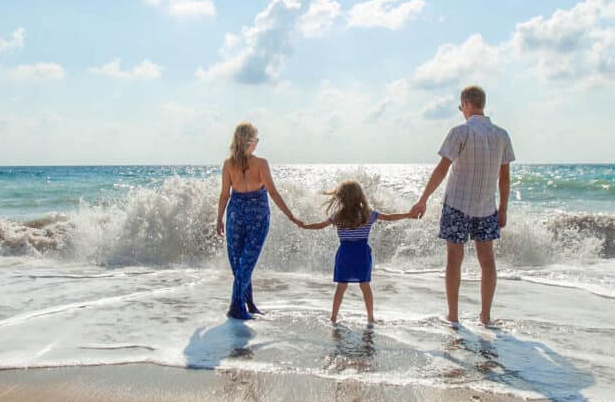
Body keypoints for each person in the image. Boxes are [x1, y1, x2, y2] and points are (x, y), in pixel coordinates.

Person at [409, 85, 515, 326]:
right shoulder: (502, 134)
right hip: (487, 207)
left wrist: (423, 199)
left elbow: (442, 169)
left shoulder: (460, 132)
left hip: (457, 204)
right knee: (487, 261)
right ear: (483, 104)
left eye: (461, 107)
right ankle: (485, 316)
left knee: (454, 260)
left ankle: (453, 316)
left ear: (466, 104)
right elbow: (505, 178)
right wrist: (504, 208)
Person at [216, 122, 302, 320]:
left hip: (235, 214)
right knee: (244, 263)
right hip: (257, 216)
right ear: (251, 142)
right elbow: (272, 192)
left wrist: (219, 219)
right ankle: (236, 307)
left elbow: (224, 195)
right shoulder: (260, 163)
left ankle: (249, 304)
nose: (257, 143)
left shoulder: (229, 164)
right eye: (256, 139)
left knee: (241, 263)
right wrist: (291, 215)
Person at [300, 180, 411, 324]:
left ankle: (333, 317)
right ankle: (370, 318)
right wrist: (408, 214)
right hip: (361, 254)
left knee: (341, 286)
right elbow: (389, 217)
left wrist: (304, 226)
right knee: (365, 286)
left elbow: (320, 226)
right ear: (360, 196)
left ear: (341, 197)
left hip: (345, 254)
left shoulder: (338, 216)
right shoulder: (368, 214)